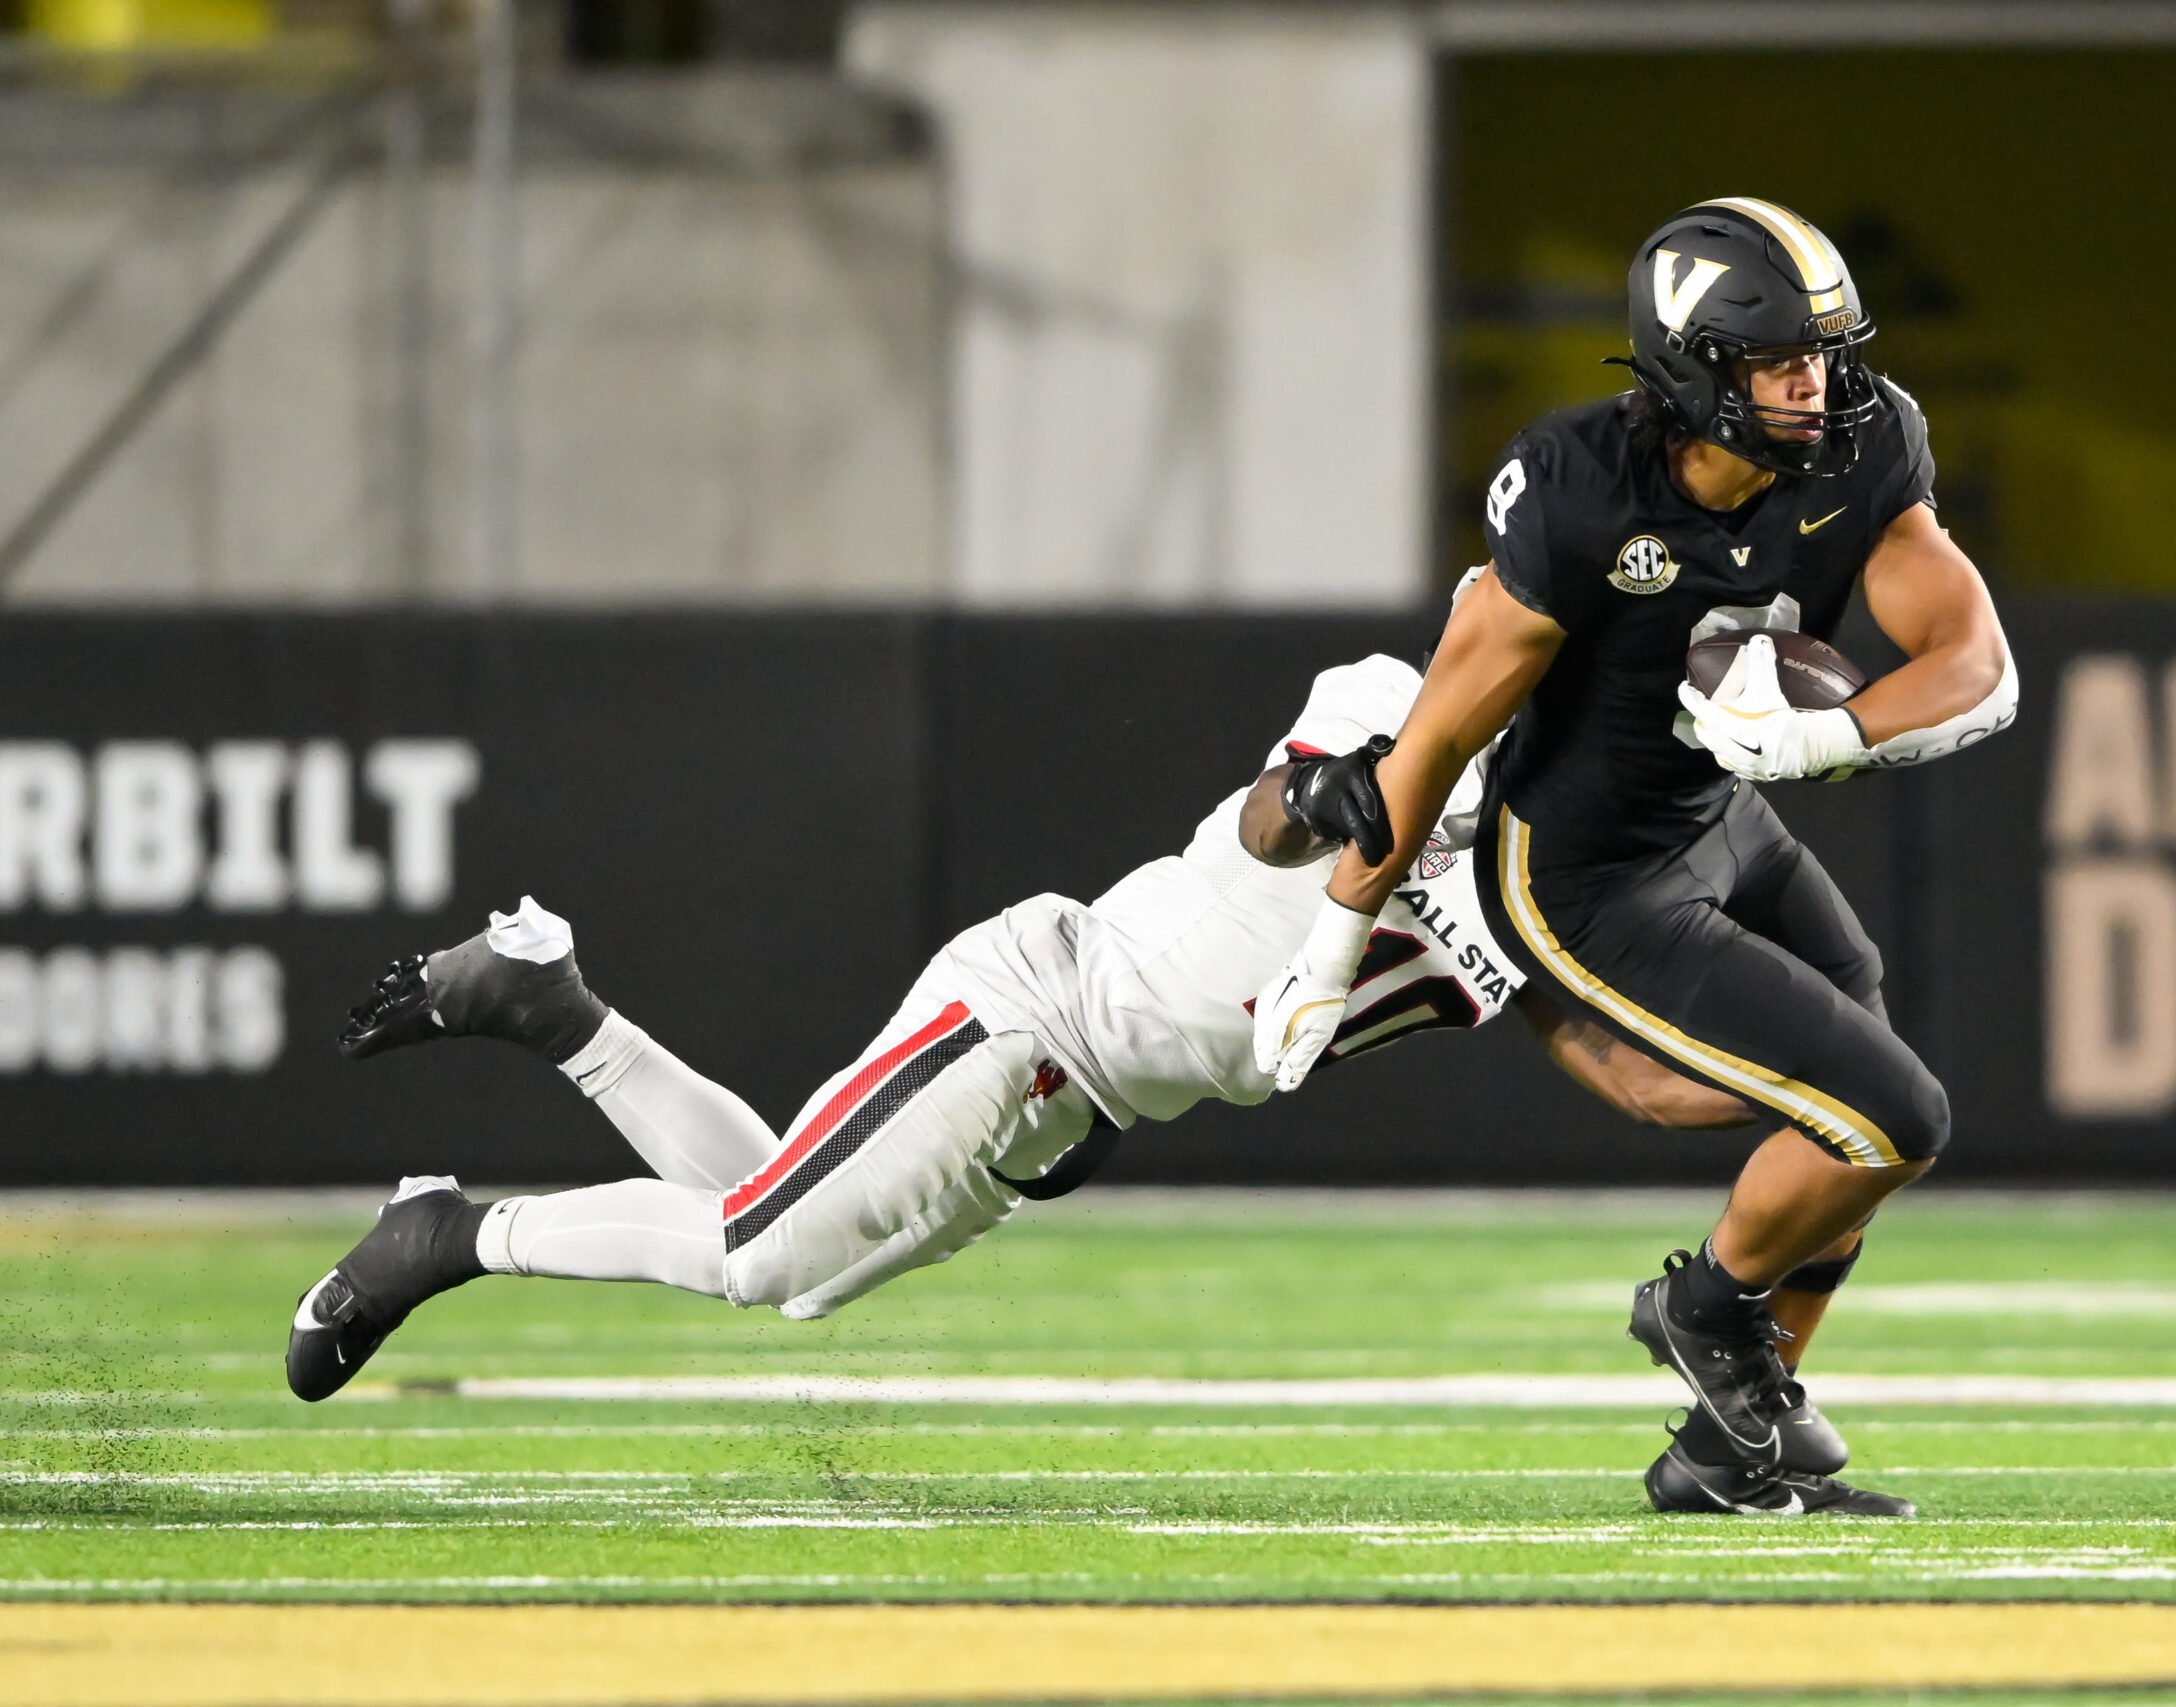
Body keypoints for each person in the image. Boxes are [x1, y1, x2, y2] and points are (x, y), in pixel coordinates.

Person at [1253, 197, 2017, 1517]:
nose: (1817, 386)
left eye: (1826, 356)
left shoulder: (1862, 447)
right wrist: (1332, 941)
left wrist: (1831, 735)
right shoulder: (1578, 495)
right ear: (1693, 370)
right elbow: (1433, 741)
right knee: (1892, 1112)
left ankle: (1734, 1448)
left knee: (1855, 1090)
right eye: (1781, 362)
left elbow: (1974, 662)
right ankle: (1704, 1305)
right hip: (1583, 877)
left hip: (1720, 818)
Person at [286, 656, 1529, 1402]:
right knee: (760, 1247)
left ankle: (556, 1014)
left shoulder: (1552, 889)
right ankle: (446, 1236)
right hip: (1040, 1008)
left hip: (1080, 1100)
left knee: (788, 1251)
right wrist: (1336, 787)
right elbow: (1271, 821)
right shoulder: (1396, 698)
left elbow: (1616, 1044)